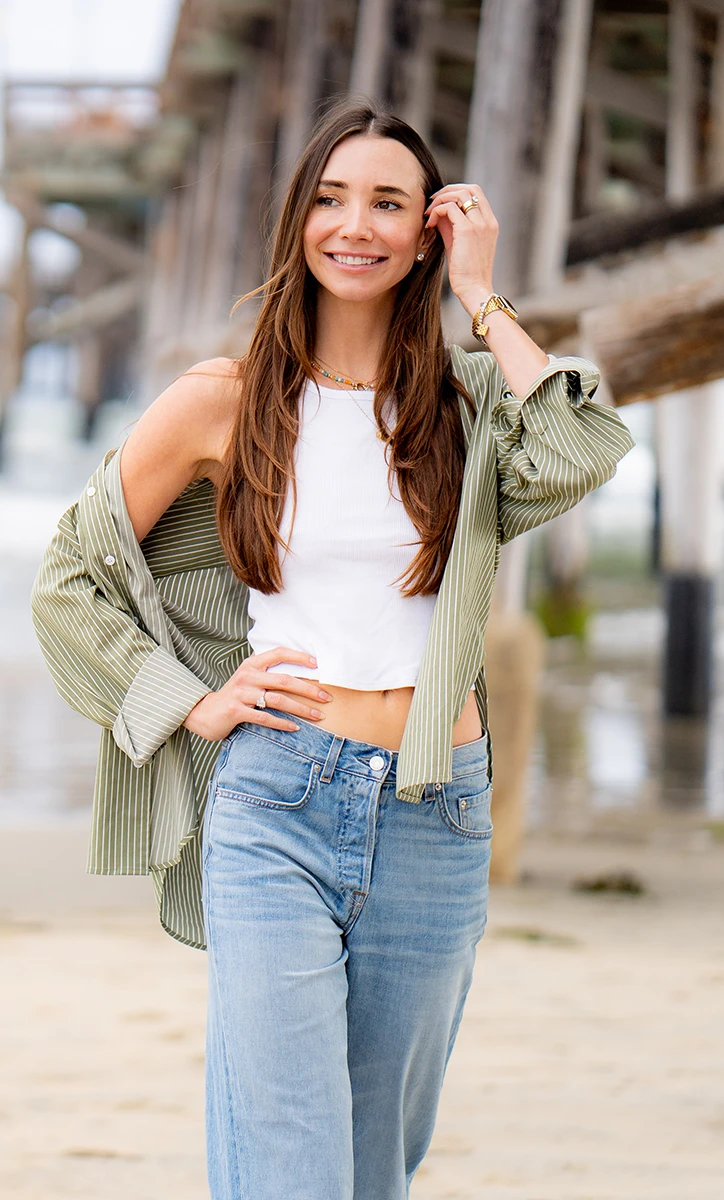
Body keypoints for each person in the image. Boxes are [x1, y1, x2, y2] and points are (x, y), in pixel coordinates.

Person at [31, 98, 635, 1199]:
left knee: (370, 1171)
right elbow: (71, 575)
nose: (353, 226)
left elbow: (580, 445)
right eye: (329, 198)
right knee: (290, 1167)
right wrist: (190, 700)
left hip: (436, 810)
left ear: (426, 230)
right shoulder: (222, 399)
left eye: (389, 203)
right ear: (296, 220)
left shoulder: (465, 403)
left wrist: (480, 294)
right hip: (275, 802)